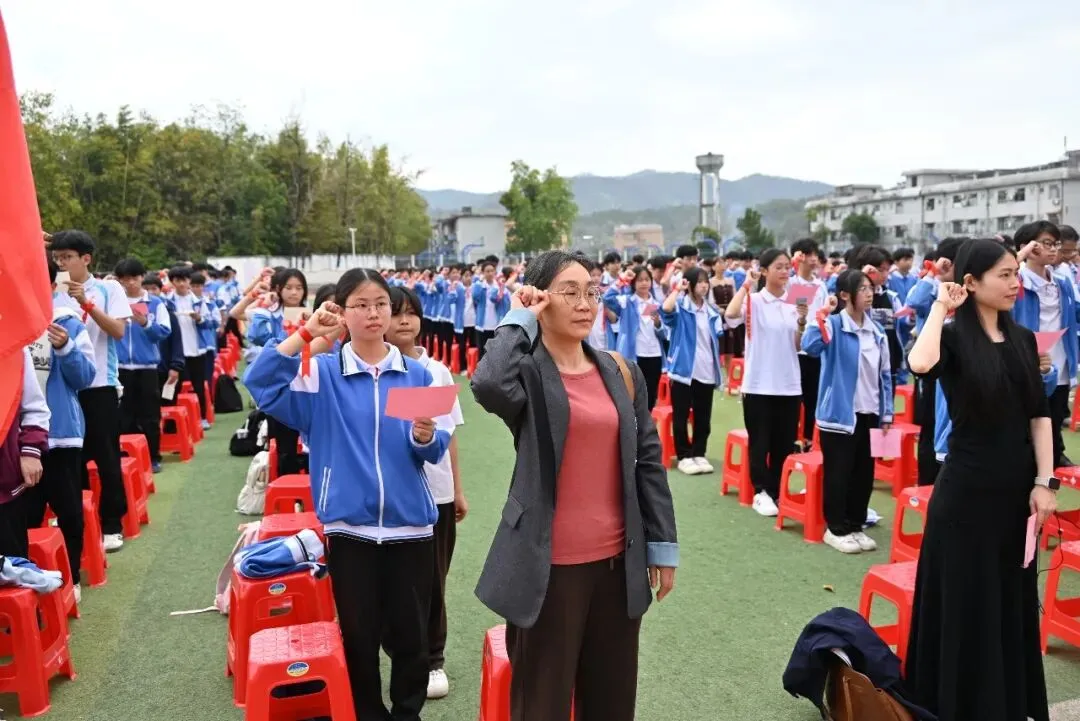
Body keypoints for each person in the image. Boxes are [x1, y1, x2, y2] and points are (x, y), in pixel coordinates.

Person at [470, 250, 678, 721]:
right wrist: (519, 317)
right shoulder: (528, 374)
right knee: (540, 704)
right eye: (570, 292)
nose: (585, 303)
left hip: (617, 567)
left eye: (592, 291)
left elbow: (648, 461)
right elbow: (487, 384)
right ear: (543, 299)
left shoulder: (620, 371)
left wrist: (662, 546)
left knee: (611, 702)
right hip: (548, 569)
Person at [244, 268, 452, 721]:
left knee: (412, 637)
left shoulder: (416, 374)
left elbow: (433, 448)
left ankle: (407, 713)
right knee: (359, 636)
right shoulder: (323, 376)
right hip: (349, 528)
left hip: (411, 526)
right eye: (360, 304)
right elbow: (260, 383)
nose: (373, 313)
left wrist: (423, 437)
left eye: (380, 303)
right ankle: (368, 714)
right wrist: (305, 334)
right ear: (343, 312)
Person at [905, 238, 1056, 721]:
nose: (1015, 283)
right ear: (970, 283)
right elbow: (919, 364)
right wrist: (939, 307)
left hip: (1016, 495)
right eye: (1004, 275)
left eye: (1016, 272)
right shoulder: (951, 338)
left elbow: (1039, 415)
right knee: (967, 603)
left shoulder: (1024, 339)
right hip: (966, 495)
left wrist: (1045, 482)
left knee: (1009, 600)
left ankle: (1006, 703)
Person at [384, 285, 467, 701]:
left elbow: (449, 436)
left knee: (433, 580)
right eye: (395, 312)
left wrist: (459, 490)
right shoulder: (375, 368)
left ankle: (433, 659)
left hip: (437, 494)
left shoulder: (437, 371)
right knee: (395, 583)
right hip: (392, 495)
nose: (404, 321)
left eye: (411, 313)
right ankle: (403, 651)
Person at [50, 230, 132, 553]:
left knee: (106, 456)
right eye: (57, 258)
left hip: (100, 385)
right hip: (66, 389)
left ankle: (112, 522)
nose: (62, 264)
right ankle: (79, 521)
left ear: (86, 258)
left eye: (67, 257)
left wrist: (86, 302)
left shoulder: (108, 288)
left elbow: (118, 331)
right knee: (72, 460)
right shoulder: (53, 292)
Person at [801, 270, 893, 554]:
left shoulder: (876, 332)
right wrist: (822, 316)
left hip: (869, 413)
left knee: (864, 473)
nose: (870, 293)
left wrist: (887, 414)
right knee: (838, 473)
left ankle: (855, 524)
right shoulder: (835, 326)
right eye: (863, 289)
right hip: (838, 415)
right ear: (844, 295)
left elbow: (886, 375)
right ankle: (836, 528)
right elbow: (809, 346)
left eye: (871, 289)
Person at [24, 260, 97, 600]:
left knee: (67, 510)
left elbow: (85, 378)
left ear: (52, 285)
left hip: (61, 435)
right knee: (21, 515)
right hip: (17, 437)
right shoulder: (12, 323)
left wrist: (65, 348)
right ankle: (27, 580)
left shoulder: (67, 323)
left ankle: (71, 576)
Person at [725, 249, 807, 517]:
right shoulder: (755, 300)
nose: (785, 272)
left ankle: (778, 490)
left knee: (784, 443)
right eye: (779, 267)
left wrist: (803, 321)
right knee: (760, 441)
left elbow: (798, 344)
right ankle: (762, 491)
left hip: (789, 383)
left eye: (787, 267)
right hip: (759, 384)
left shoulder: (796, 299)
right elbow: (730, 314)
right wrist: (747, 283)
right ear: (765, 271)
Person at [1010, 220, 1078, 468]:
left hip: (1059, 362)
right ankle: (1029, 469)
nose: (1053, 249)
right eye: (1047, 243)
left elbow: (1074, 315)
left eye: (1055, 244)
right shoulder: (1016, 282)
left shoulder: (1062, 283)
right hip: (1027, 364)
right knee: (1027, 421)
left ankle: (1053, 463)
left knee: (1055, 415)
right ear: (1026, 247)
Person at [660, 266, 725, 474]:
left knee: (703, 416)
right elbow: (666, 309)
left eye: (706, 281)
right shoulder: (681, 306)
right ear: (690, 284)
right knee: (681, 414)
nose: (704, 285)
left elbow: (717, 338)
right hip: (683, 370)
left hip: (706, 369)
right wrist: (678, 289)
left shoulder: (712, 312)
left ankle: (699, 452)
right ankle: (683, 455)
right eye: (699, 282)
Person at [115, 258, 172, 473]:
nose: (130, 283)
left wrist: (145, 323)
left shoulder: (155, 303)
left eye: (134, 278)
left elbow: (165, 332)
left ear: (141, 277)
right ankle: (127, 457)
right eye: (124, 279)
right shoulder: (114, 303)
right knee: (123, 416)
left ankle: (153, 457)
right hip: (119, 368)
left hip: (147, 368)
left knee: (149, 416)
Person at [0, 349, 50, 559]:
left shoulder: (13, 345)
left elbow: (35, 408)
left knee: (13, 572)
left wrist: (31, 452)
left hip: (4, 485)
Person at [603, 265, 666, 409]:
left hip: (654, 355)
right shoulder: (626, 301)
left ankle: (645, 429)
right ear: (633, 283)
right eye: (639, 280)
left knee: (650, 396)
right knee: (631, 395)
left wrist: (658, 325)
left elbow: (664, 334)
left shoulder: (657, 305)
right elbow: (607, 298)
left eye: (646, 280)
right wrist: (622, 279)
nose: (644, 283)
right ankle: (632, 428)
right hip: (633, 356)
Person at [789, 238, 830, 446]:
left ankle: (808, 437)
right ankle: (794, 436)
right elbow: (793, 315)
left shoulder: (820, 286)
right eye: (808, 255)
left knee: (813, 395)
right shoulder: (792, 284)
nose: (813, 259)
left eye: (815, 255)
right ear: (799, 257)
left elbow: (823, 315)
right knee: (796, 396)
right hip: (795, 349)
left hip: (814, 348)